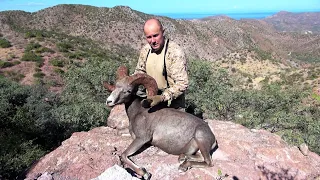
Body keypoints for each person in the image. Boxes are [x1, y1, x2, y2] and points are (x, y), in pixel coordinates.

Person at [135, 18, 189, 109]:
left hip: (172, 106)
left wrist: (163, 97)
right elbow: (139, 73)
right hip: (151, 101)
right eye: (149, 37)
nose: (153, 41)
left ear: (163, 32)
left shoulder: (174, 52)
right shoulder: (145, 50)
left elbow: (182, 83)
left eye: (155, 35)